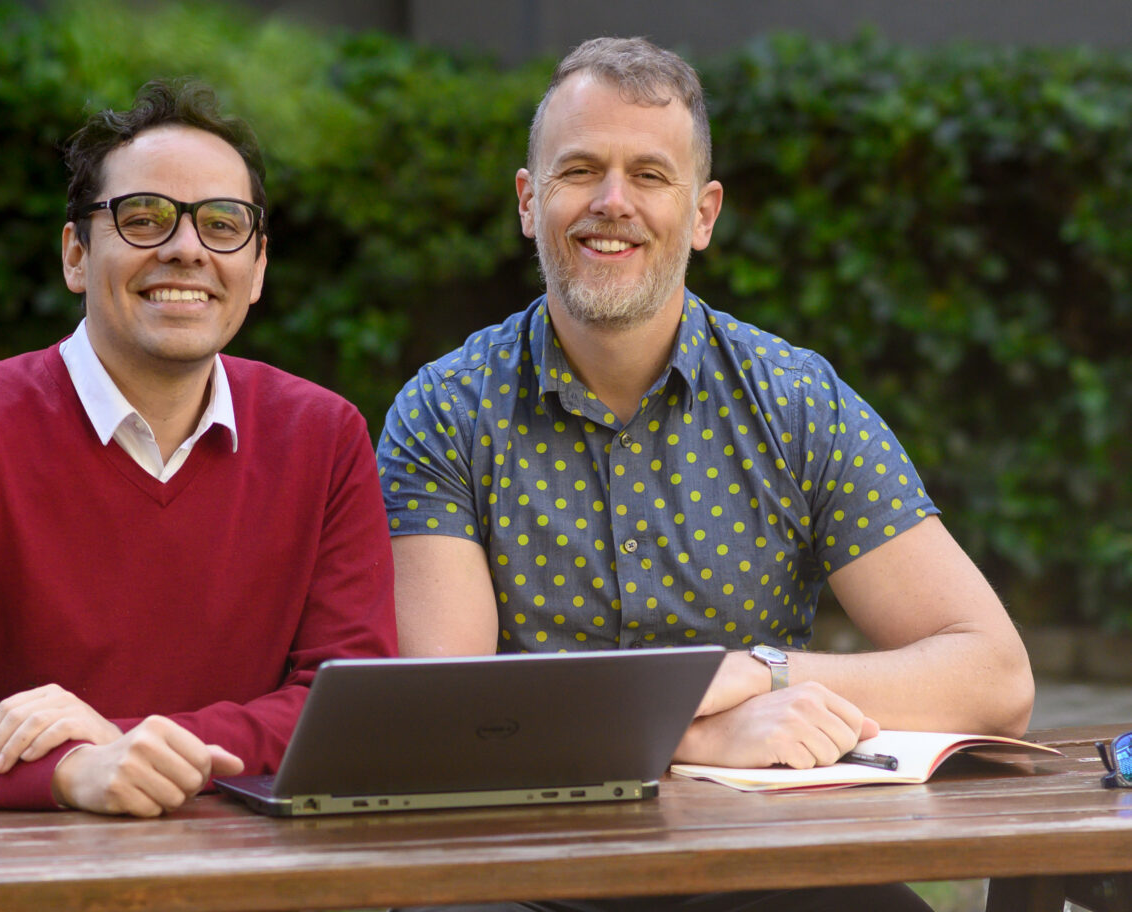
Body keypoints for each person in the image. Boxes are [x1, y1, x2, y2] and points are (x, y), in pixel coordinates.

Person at [377, 37, 1033, 911]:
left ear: (703, 213)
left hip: (764, 870)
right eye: (580, 170)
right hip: (525, 873)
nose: (613, 203)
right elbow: (449, 722)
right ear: (530, 203)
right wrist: (696, 734)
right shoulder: (444, 413)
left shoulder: (800, 404)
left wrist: (762, 674)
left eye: (651, 175)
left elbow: (996, 679)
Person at [0, 79, 396, 817]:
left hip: (255, 871)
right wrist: (70, 774)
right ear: (75, 254)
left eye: (223, 224)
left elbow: (349, 702)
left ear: (256, 268)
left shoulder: (325, 437)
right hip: (21, 877)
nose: (186, 249)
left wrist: (124, 744)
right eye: (144, 218)